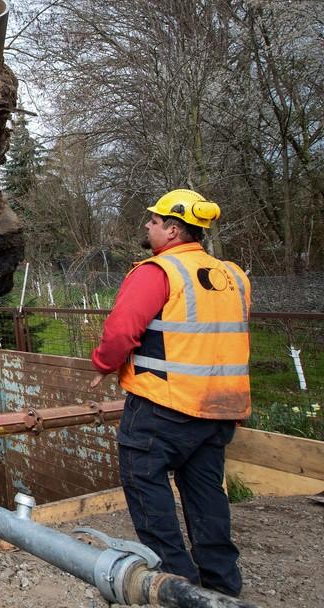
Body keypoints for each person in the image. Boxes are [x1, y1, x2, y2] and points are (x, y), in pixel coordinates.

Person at [89, 188, 251, 597]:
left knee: (145, 485)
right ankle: (223, 589)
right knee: (206, 496)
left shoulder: (157, 272)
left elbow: (122, 329)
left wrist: (104, 364)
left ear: (173, 230)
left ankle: (175, 588)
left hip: (164, 406)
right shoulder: (232, 276)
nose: (148, 224)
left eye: (155, 221)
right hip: (219, 411)